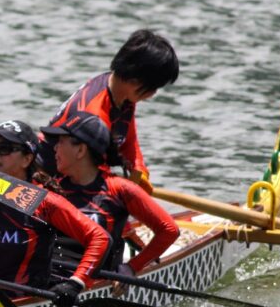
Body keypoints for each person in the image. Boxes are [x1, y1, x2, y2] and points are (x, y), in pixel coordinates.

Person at [0, 119, 111, 307]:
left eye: (5, 148)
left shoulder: (44, 202)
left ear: (27, 159)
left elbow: (99, 238)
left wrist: (76, 283)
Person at [40, 29, 179, 191]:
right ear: (134, 80)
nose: (153, 94)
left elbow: (129, 141)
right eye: (153, 88)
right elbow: (86, 173)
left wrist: (139, 170)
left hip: (80, 173)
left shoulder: (122, 94)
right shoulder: (93, 114)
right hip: (49, 177)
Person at [41, 110, 179, 274]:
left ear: (80, 151)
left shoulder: (119, 189)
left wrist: (132, 267)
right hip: (53, 279)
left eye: (61, 142)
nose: (55, 148)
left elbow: (169, 230)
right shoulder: (52, 188)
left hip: (96, 282)